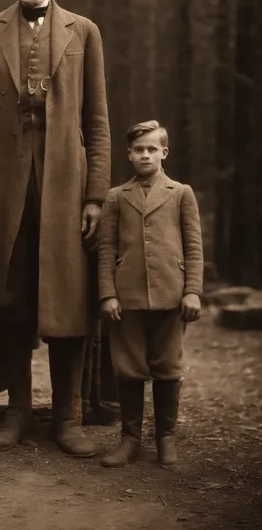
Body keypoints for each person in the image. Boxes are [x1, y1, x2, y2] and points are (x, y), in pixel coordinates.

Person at [0, 0, 111, 457]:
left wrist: (95, 197)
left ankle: (67, 418)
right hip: (4, 186)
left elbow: (97, 122)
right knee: (12, 300)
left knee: (67, 300)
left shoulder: (84, 31)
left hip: (66, 186)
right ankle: (18, 414)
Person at [98, 120, 203, 468]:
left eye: (152, 149)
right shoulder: (116, 196)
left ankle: (165, 439)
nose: (145, 154)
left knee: (168, 367)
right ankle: (129, 440)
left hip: (171, 296)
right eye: (138, 150)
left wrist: (193, 292)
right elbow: (106, 249)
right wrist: (108, 294)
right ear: (128, 154)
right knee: (128, 369)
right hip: (127, 298)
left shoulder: (180, 192)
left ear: (164, 153)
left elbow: (193, 246)